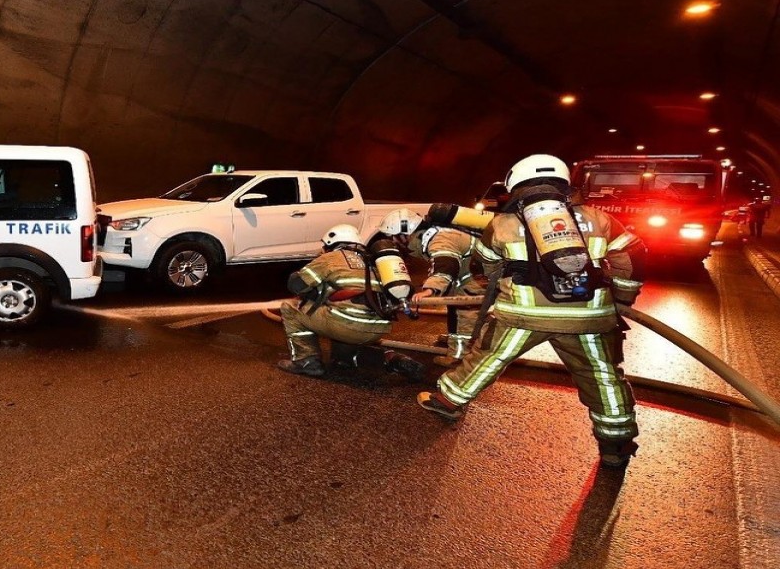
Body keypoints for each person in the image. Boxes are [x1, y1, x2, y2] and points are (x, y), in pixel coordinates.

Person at [417, 154, 647, 470]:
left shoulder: (503, 223)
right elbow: (631, 261)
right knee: (603, 376)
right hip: (589, 318)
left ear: (515, 186)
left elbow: (485, 266)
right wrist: (621, 299)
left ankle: (448, 401)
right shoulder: (601, 219)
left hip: (522, 315)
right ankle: (616, 444)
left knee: (487, 357)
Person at [277, 223, 427, 383]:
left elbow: (296, 285)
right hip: (378, 327)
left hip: (346, 324)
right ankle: (392, 359)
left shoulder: (330, 258)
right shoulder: (372, 261)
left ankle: (305, 361)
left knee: (290, 307)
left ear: (331, 244)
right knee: (342, 357)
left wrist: (301, 280)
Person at [374, 207, 485, 365]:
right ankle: (456, 339)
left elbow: (446, 265)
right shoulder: (431, 235)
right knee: (454, 308)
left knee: (465, 314)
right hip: (469, 274)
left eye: (394, 236)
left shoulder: (440, 239)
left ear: (406, 232)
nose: (393, 241)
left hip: (478, 278)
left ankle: (458, 357)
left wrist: (429, 290)